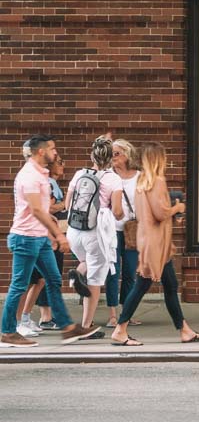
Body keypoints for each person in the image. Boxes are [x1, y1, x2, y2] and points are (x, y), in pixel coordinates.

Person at [112, 142, 199, 347]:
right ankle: (120, 329)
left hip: (149, 241)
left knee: (170, 285)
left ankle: (184, 330)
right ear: (158, 159)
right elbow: (161, 212)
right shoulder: (157, 181)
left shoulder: (142, 182)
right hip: (156, 244)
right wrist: (178, 208)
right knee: (142, 285)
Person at [3, 135, 93, 347]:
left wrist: (50, 230)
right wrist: (59, 234)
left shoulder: (41, 174)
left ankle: (67, 328)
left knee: (52, 279)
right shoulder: (30, 176)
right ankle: (7, 332)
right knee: (19, 285)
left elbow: (40, 209)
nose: (56, 153)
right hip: (25, 237)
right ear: (41, 151)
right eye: (52, 149)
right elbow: (35, 210)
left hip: (39, 237)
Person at [62, 137, 116, 338]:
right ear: (110, 158)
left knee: (86, 262)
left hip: (74, 231)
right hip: (96, 233)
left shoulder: (79, 174)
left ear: (92, 155)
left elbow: (68, 205)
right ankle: (85, 326)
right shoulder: (113, 179)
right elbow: (118, 211)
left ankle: (76, 274)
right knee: (95, 278)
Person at [102, 138, 141, 325]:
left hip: (132, 230)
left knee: (130, 272)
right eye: (111, 154)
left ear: (127, 155)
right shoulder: (107, 175)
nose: (113, 157)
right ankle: (112, 314)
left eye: (116, 153)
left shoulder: (139, 176)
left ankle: (126, 313)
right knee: (112, 271)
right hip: (111, 229)